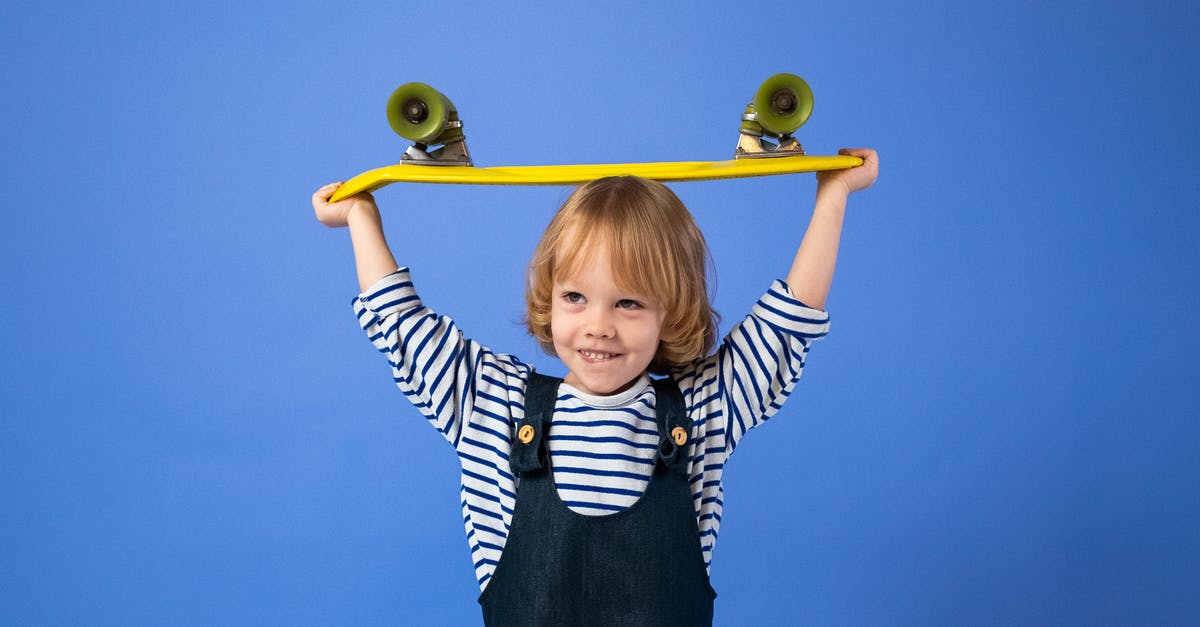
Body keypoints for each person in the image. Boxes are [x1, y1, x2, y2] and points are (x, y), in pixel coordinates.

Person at [312, 148, 878, 626]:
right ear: (550, 299)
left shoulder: (703, 409)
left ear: (671, 313)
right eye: (576, 297)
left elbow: (789, 323)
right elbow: (401, 323)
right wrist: (362, 217)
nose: (598, 325)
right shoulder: (492, 405)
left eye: (629, 302)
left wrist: (834, 195)